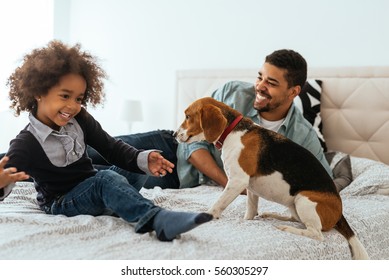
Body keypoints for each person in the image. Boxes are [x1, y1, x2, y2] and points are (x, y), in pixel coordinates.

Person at [3, 40, 212, 241]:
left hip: (90, 185)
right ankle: (157, 220)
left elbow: (111, 147)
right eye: (65, 96)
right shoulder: (26, 142)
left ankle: (115, 200)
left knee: (131, 167)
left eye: (78, 99)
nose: (73, 106)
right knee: (105, 180)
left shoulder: (80, 119)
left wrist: (143, 159)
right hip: (62, 201)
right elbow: (8, 173)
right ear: (39, 92)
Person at [87, 49, 351, 193]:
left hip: (180, 177)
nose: (259, 86)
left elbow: (323, 182)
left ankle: (57, 177)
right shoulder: (232, 93)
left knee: (105, 178)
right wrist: (230, 183)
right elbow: (192, 147)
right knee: (94, 149)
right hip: (174, 144)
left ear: (294, 91)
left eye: (270, 83)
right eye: (260, 76)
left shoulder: (301, 136)